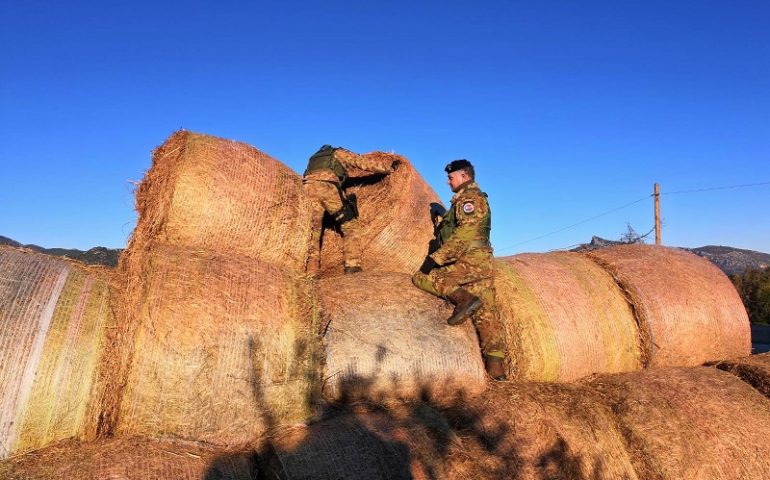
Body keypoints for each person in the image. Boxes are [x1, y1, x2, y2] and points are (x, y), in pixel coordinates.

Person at [412, 159, 507, 380]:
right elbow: (463, 227)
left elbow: (464, 235)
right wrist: (443, 214)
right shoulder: (465, 201)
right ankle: (497, 371)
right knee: (487, 316)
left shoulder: (469, 199)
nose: (447, 181)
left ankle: (463, 300)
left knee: (422, 277)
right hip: (481, 263)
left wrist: (434, 260)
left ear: (464, 176)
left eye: (451, 177)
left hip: (468, 261)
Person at [303, 145, 396, 274]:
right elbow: (362, 163)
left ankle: (310, 272)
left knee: (315, 232)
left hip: (307, 188)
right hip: (327, 187)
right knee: (350, 226)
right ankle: (352, 265)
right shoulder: (338, 153)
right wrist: (388, 168)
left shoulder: (313, 158)